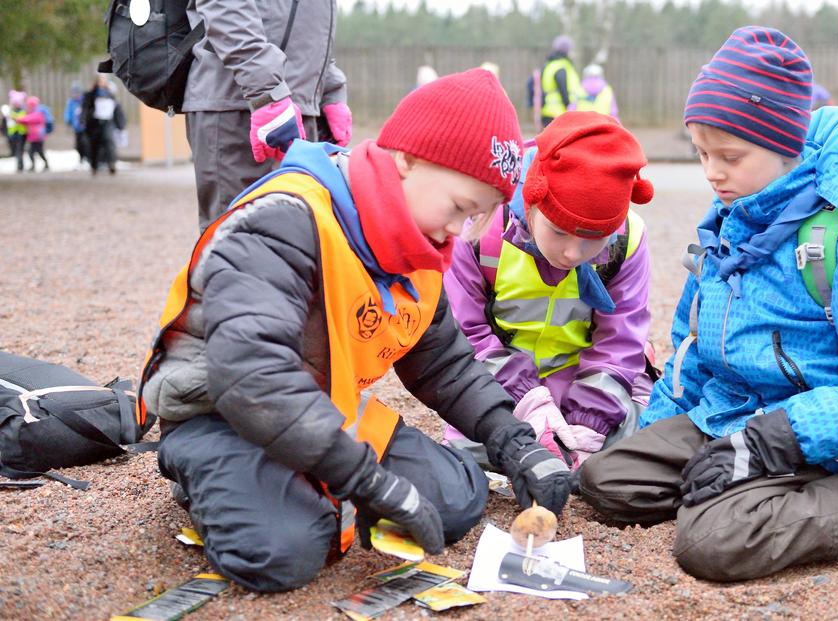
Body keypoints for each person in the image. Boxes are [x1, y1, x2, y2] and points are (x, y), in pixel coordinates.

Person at [578, 26, 838, 581]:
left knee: (712, 542)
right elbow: (692, 346)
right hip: (727, 413)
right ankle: (753, 486)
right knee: (608, 482)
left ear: (786, 147)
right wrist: (661, 427)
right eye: (700, 153)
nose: (711, 172)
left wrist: (766, 444)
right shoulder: (731, 220)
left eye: (730, 155)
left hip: (817, 431)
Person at [137, 69, 572, 593]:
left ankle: (310, 488)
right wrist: (366, 481)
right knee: (278, 553)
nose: (461, 231)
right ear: (408, 159)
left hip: (324, 412)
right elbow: (253, 378)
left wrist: (516, 442)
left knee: (459, 497)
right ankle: (213, 476)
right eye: (460, 207)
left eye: (478, 217)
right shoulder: (284, 220)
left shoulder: (418, 243)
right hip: (223, 414)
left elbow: (443, 363)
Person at [442, 111, 655, 471]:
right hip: (503, 384)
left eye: (593, 240)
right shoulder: (478, 229)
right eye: (558, 231)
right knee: (473, 444)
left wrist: (591, 421)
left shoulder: (628, 239)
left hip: (586, 387)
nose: (572, 253)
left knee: (636, 445)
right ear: (532, 200)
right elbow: (464, 335)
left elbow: (619, 343)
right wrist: (528, 404)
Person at [183, 0, 353, 231]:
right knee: (239, 244)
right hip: (242, 104)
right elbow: (224, 6)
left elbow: (306, 23)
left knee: (296, 239)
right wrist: (265, 92)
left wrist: (330, 89)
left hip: (297, 106)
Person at [81, 75, 126, 176]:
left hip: (107, 122)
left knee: (109, 143)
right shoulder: (90, 95)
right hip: (94, 123)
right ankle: (94, 166)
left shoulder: (110, 95)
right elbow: (85, 109)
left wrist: (121, 124)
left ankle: (111, 164)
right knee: (94, 145)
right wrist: (83, 120)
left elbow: (117, 110)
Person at [539, 35, 580, 127]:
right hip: (559, 112)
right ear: (567, 50)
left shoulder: (549, 65)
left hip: (547, 110)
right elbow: (563, 89)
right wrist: (568, 105)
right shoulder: (561, 66)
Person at [14, 96, 51, 172]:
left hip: (39, 137)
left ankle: (46, 164)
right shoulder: (30, 113)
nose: (29, 106)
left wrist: (18, 118)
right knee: (30, 152)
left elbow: (28, 119)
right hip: (32, 137)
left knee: (40, 152)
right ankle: (33, 166)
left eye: (30, 105)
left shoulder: (38, 113)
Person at [64, 82, 89, 167]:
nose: (76, 94)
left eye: (77, 92)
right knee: (78, 145)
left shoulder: (84, 100)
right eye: (74, 92)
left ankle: (87, 159)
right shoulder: (71, 102)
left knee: (85, 143)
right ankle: (81, 159)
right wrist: (68, 122)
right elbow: (68, 113)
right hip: (77, 127)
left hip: (85, 127)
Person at [6, 90, 27, 172]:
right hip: (13, 133)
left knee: (20, 150)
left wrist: (13, 116)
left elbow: (21, 118)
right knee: (15, 150)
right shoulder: (11, 110)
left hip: (21, 133)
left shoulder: (23, 110)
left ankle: (20, 166)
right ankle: (19, 165)